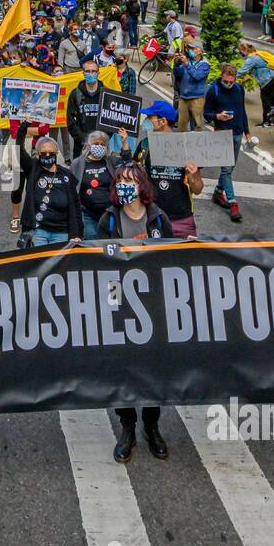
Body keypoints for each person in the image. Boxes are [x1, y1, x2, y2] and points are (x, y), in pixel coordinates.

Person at [95, 162, 173, 463]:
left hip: (152, 300)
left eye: (130, 180)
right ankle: (127, 427)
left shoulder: (158, 217)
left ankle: (152, 426)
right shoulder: (109, 220)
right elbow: (99, 259)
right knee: (123, 367)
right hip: (119, 299)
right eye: (120, 181)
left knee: (153, 366)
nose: (125, 185)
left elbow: (173, 253)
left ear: (142, 185)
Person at [135, 100, 204, 238]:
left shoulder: (186, 147)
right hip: (152, 217)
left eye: (150, 118)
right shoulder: (144, 145)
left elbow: (197, 189)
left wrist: (193, 174)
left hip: (182, 220)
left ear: (162, 121)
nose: (146, 121)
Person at [15, 123, 81, 246]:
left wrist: (76, 233)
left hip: (62, 233)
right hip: (38, 232)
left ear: (56, 152)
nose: (47, 155)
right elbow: (19, 149)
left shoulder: (66, 174)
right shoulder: (33, 168)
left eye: (50, 152)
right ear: (38, 154)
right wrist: (25, 126)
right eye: (43, 153)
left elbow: (76, 206)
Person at [203, 63, 252, 223]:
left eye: (231, 82)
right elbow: (206, 114)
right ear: (221, 77)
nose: (229, 85)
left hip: (237, 133)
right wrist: (218, 116)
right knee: (226, 170)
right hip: (222, 134)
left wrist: (247, 132)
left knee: (230, 168)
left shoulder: (239, 89)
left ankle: (218, 192)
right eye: (226, 81)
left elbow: (242, 110)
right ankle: (233, 204)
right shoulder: (213, 90)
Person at [70, 130, 117, 240]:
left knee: (109, 245)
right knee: (91, 246)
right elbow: (71, 188)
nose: (99, 146)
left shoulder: (111, 162)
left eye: (102, 144)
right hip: (87, 215)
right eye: (96, 144)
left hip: (109, 213)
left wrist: (124, 143)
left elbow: (127, 165)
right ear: (88, 145)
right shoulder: (78, 163)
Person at [66, 59, 105, 158]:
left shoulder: (106, 94)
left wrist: (101, 140)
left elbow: (110, 120)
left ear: (98, 73)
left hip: (102, 145)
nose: (90, 74)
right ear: (83, 73)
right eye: (87, 71)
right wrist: (84, 140)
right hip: (81, 146)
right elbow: (70, 122)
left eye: (93, 71)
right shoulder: (75, 94)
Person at [236, 42, 274, 127]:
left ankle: (267, 122)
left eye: (240, 51)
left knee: (266, 101)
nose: (240, 53)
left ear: (244, 50)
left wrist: (230, 76)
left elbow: (241, 71)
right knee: (272, 100)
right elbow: (251, 72)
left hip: (268, 80)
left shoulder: (252, 59)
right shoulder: (258, 55)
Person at [172, 42, 210, 132]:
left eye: (193, 49)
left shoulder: (205, 65)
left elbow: (197, 76)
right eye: (189, 48)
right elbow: (178, 75)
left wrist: (186, 65)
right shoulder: (189, 62)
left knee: (197, 126)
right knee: (181, 124)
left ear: (200, 51)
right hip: (184, 97)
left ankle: (196, 144)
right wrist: (176, 64)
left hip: (196, 98)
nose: (190, 50)